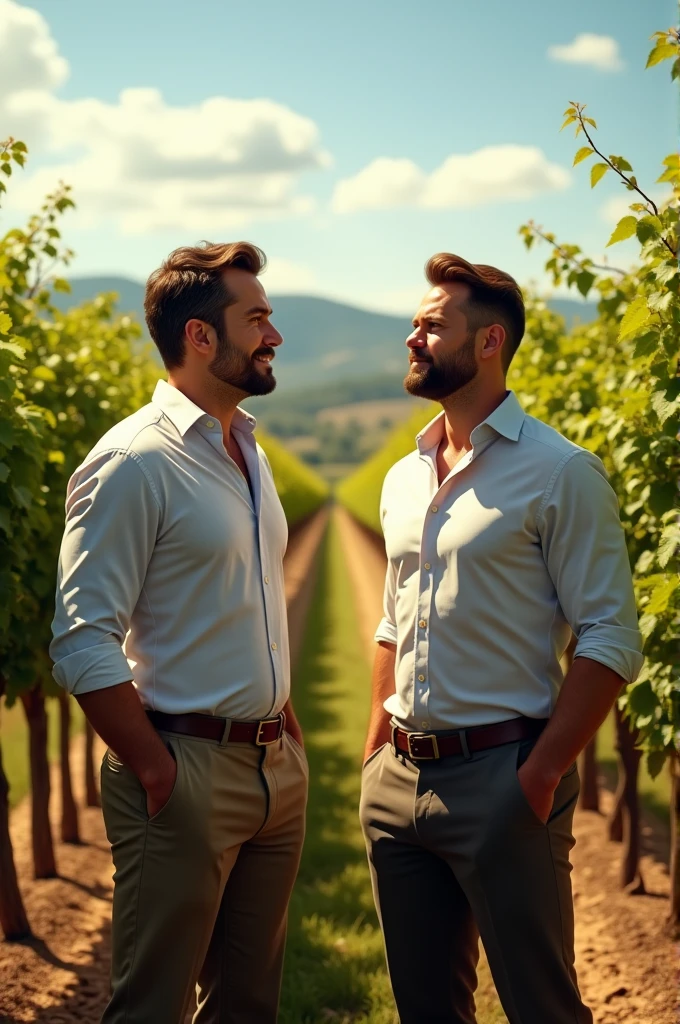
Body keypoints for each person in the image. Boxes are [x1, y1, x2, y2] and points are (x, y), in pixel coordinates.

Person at [359, 252, 643, 1024]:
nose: (413, 338)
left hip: (505, 779)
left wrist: (542, 774)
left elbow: (611, 633)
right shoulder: (403, 476)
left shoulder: (560, 473)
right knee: (426, 1011)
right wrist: (375, 749)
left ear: (489, 344)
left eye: (431, 325)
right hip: (399, 785)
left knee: (541, 1009)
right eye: (414, 324)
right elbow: (393, 615)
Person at [50, 242, 308, 1024]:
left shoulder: (246, 447)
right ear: (201, 337)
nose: (275, 335)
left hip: (273, 769)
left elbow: (251, 600)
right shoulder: (133, 461)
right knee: (152, 1006)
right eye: (256, 318)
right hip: (186, 770)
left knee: (247, 1005)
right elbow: (82, 634)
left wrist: (285, 728)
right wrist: (158, 770)